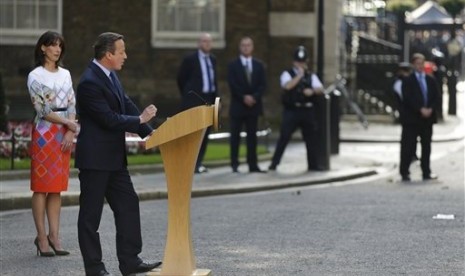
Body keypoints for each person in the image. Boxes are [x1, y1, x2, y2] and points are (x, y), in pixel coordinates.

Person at [75, 32, 161, 276]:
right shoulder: (89, 82)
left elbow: (127, 104)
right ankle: (94, 268)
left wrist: (149, 132)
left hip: (114, 160)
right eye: (121, 51)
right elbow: (108, 119)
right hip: (95, 160)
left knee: (128, 205)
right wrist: (139, 119)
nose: (125, 55)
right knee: (91, 217)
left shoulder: (111, 76)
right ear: (108, 54)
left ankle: (130, 261)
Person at [27, 31, 77, 257]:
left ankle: (55, 237)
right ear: (43, 48)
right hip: (44, 134)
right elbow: (43, 110)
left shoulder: (66, 74)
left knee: (56, 188)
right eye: (53, 45)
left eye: (60, 46)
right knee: (41, 187)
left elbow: (72, 103)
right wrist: (67, 122)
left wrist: (69, 131)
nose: (57, 49)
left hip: (63, 135)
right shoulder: (35, 75)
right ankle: (41, 237)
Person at [268, 46, 324, 172]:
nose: (301, 64)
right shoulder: (287, 74)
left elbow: (320, 88)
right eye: (298, 62)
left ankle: (313, 164)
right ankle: (274, 163)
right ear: (294, 62)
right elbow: (287, 86)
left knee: (311, 138)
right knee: (284, 137)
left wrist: (312, 91)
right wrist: (299, 76)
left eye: (303, 62)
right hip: (292, 110)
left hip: (307, 111)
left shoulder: (311, 76)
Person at [177, 33, 218, 174]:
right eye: (203, 41)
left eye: (209, 41)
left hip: (209, 99)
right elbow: (181, 78)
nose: (206, 44)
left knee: (205, 134)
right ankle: (187, 164)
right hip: (194, 99)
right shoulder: (190, 59)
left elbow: (214, 80)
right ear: (199, 43)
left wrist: (216, 99)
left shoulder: (213, 59)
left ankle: (198, 163)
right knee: (192, 133)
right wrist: (189, 95)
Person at [227, 36, 266, 173]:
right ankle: (234, 164)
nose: (246, 47)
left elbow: (262, 85)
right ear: (240, 47)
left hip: (253, 107)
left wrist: (253, 97)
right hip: (238, 106)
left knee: (252, 138)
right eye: (243, 45)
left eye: (248, 45)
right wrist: (243, 97)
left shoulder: (259, 65)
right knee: (235, 137)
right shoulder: (233, 65)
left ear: (252, 47)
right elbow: (232, 84)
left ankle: (252, 164)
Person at [400, 53, 439, 182]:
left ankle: (426, 171)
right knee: (408, 146)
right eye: (417, 63)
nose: (420, 66)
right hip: (412, 119)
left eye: (422, 63)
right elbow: (407, 98)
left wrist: (430, 109)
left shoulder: (430, 80)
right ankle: (404, 171)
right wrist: (420, 109)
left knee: (426, 146)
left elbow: (436, 96)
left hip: (427, 120)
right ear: (413, 65)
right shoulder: (408, 81)